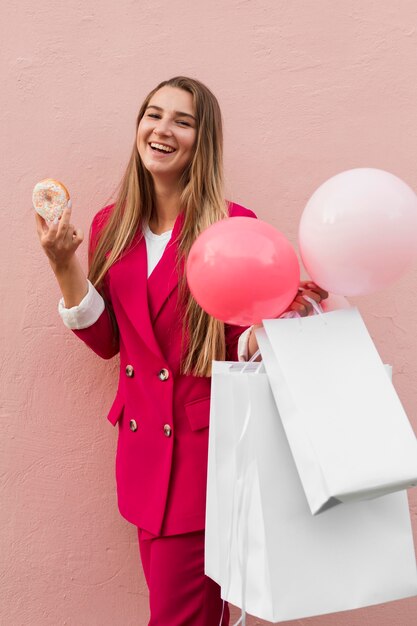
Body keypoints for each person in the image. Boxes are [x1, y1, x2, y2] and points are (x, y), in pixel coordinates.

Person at [35, 76, 327, 625]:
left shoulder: (234, 225)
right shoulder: (110, 223)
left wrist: (282, 318)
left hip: (203, 459)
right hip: (143, 457)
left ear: (203, 140)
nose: (162, 130)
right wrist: (63, 266)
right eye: (153, 114)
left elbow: (245, 338)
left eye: (182, 121)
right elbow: (107, 344)